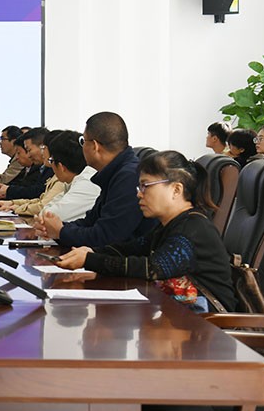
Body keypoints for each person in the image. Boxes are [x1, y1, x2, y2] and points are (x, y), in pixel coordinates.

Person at [55, 150, 236, 313]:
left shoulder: (193, 228)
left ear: (176, 189)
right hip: (178, 316)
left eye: (145, 186)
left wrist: (90, 260)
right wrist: (90, 251)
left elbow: (153, 269)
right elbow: (132, 248)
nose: (139, 194)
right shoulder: (169, 224)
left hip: (209, 324)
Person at [35, 112, 157, 248]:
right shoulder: (114, 172)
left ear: (94, 146)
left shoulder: (128, 177)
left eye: (83, 141)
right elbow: (90, 222)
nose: (82, 148)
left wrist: (61, 232)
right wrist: (56, 228)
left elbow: (106, 237)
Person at [0, 129, 64, 216]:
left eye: (29, 150)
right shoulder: (48, 170)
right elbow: (40, 199)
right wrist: (12, 203)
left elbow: (42, 205)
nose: (28, 155)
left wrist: (16, 207)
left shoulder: (60, 176)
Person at [38, 130, 101, 223]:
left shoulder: (87, 183)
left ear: (61, 167)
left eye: (51, 161)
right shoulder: (73, 182)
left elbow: (48, 216)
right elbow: (44, 213)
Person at [0, 127, 51, 200]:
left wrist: (9, 192)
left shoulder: (52, 169)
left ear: (43, 147)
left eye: (29, 150)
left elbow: (37, 193)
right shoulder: (43, 168)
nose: (28, 155)